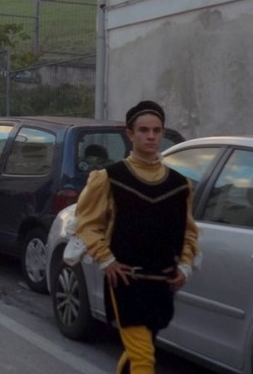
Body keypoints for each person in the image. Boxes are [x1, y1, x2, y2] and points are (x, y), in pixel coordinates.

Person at [74, 100, 199, 374]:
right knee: (144, 359)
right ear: (130, 134)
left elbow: (189, 231)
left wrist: (186, 264)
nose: (151, 136)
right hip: (126, 281)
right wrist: (106, 260)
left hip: (162, 282)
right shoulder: (109, 178)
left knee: (138, 355)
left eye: (156, 130)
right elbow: (86, 222)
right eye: (144, 130)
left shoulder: (180, 185)